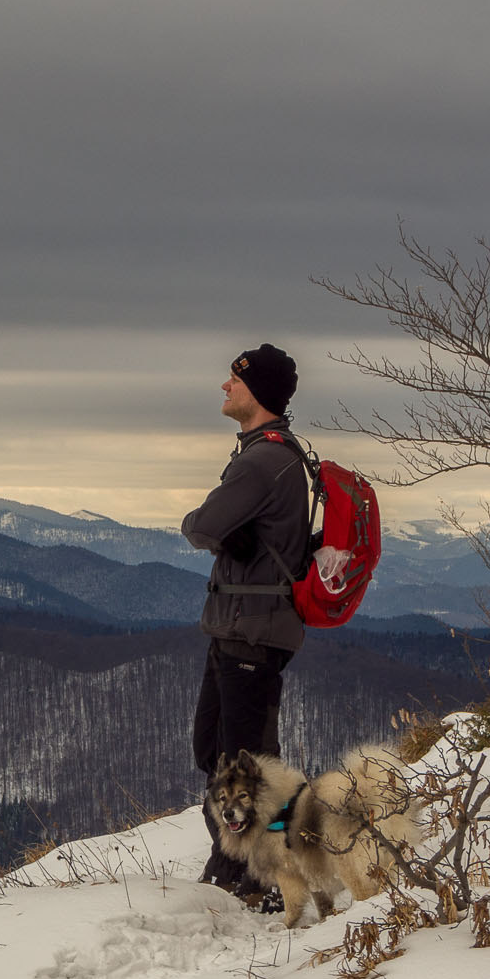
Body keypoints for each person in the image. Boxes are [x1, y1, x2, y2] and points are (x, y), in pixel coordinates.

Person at [181, 343, 313, 891]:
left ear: (256, 391)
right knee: (215, 752)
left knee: (255, 767)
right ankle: (236, 861)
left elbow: (201, 526)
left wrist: (207, 524)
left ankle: (262, 873)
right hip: (237, 630)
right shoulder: (264, 453)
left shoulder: (264, 461)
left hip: (253, 634)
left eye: (234, 380)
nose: (225, 387)